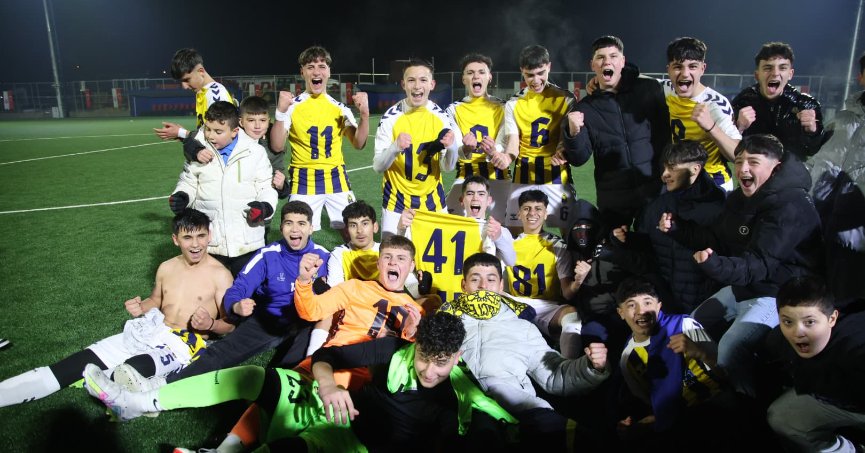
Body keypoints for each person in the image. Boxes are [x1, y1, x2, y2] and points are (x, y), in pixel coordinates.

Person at [83, 312, 517, 451]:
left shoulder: (459, 396)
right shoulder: (391, 350)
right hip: (333, 416)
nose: (429, 371)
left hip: (349, 447)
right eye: (424, 358)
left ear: (456, 358)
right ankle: (136, 403)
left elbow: (494, 426)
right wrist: (328, 385)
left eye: (441, 364)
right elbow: (327, 356)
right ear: (415, 345)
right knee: (257, 376)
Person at [172, 234, 427, 453]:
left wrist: (411, 335)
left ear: (411, 266)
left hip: (364, 386)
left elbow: (412, 365)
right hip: (326, 364)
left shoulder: (417, 312)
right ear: (378, 262)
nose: (393, 263)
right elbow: (311, 310)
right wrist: (304, 281)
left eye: (401, 258)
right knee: (275, 391)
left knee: (314, 435)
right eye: (387, 257)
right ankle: (224, 449)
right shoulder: (354, 288)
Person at [0, 209, 234, 408]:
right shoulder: (166, 267)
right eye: (188, 237)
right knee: (75, 364)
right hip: (151, 330)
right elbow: (156, 300)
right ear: (175, 239)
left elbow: (230, 326)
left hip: (183, 345)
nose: (196, 244)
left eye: (201, 236)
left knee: (131, 370)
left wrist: (211, 324)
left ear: (209, 236)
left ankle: (109, 384)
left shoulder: (220, 275)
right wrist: (141, 306)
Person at [659, 134, 823, 397]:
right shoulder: (741, 198)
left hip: (779, 294)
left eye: (753, 162)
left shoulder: (791, 206)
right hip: (746, 287)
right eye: (738, 161)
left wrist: (715, 265)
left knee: (730, 349)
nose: (743, 169)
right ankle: (709, 386)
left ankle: (747, 402)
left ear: (776, 167)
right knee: (690, 326)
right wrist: (679, 228)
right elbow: (718, 238)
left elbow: (760, 265)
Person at [443, 252, 610, 452]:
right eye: (475, 279)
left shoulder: (523, 327)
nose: (483, 286)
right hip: (461, 406)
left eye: (491, 279)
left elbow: (555, 375)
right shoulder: (443, 322)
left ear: (501, 286)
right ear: (463, 285)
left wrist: (591, 366)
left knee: (584, 439)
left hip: (517, 406)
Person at [157, 201, 330, 385]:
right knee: (222, 351)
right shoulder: (268, 255)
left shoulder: (325, 257)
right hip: (268, 319)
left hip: (305, 322)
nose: (295, 229)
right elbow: (239, 287)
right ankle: (166, 386)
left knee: (291, 369)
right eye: (289, 223)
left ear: (311, 228)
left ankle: (272, 393)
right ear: (281, 227)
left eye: (301, 223)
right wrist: (236, 306)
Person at [614, 277, 739, 450]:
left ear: (659, 306)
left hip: (716, 403)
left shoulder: (684, 324)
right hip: (679, 420)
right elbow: (656, 404)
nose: (641, 311)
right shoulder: (628, 358)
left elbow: (727, 372)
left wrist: (700, 352)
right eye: (631, 305)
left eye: (647, 302)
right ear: (620, 313)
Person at [605, 140, 726, 314]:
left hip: (704, 305)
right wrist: (628, 240)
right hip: (666, 302)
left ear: (695, 169)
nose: (664, 175)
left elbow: (723, 252)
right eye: (664, 167)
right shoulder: (657, 206)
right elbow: (651, 249)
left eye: (672, 168)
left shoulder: (719, 207)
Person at [563, 35, 670, 229]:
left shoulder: (649, 89)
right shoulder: (585, 108)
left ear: (623, 61)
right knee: (615, 246)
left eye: (613, 56)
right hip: (613, 198)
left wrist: (665, 175)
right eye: (600, 57)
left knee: (654, 243)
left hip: (653, 189)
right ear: (592, 65)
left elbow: (664, 136)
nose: (607, 62)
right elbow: (579, 159)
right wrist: (573, 132)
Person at [168, 101, 278, 276]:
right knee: (211, 289)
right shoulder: (199, 151)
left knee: (247, 289)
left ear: (234, 131)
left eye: (218, 132)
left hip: (247, 239)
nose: (211, 136)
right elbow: (188, 181)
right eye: (208, 129)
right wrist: (182, 196)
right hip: (211, 241)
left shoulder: (255, 152)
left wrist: (265, 207)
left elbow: (266, 186)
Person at [270, 46, 371, 234]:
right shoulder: (292, 107)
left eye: (322, 66)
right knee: (297, 235)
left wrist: (364, 115)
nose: (316, 72)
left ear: (329, 72)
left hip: (336, 178)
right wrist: (280, 113)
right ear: (302, 72)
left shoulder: (340, 108)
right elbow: (277, 145)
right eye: (310, 67)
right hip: (303, 180)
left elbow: (358, 143)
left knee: (353, 232)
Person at [767, 276, 865, 453]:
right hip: (841, 399)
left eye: (809, 322)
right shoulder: (778, 341)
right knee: (784, 417)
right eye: (788, 322)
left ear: (832, 318)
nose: (798, 332)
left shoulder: (855, 344)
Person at [373, 59, 460, 237]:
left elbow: (447, 167)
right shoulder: (390, 118)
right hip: (396, 202)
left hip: (433, 201)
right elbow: (378, 166)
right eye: (411, 80)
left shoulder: (441, 118)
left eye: (423, 80)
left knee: (438, 255)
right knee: (393, 252)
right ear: (403, 84)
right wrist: (395, 147)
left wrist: (452, 148)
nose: (417, 86)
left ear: (432, 84)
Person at [500, 45, 577, 233]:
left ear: (549, 66)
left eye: (540, 73)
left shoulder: (566, 99)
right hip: (524, 174)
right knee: (513, 235)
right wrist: (506, 158)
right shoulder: (513, 104)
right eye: (530, 75)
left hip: (557, 174)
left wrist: (562, 151)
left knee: (570, 233)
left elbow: (565, 138)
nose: (535, 80)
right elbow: (513, 143)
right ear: (522, 72)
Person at [507, 190, 583, 358]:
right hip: (516, 303)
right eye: (526, 208)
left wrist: (577, 282)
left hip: (547, 307)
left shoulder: (557, 245)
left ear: (546, 213)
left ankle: (567, 366)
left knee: (572, 316)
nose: (532, 213)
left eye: (538, 208)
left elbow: (567, 293)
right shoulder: (509, 244)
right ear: (519, 214)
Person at [663, 37, 741, 192]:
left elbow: (738, 155)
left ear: (702, 68)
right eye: (678, 67)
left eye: (692, 66)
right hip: (681, 181)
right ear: (668, 69)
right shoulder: (666, 89)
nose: (685, 74)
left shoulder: (715, 104)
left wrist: (711, 127)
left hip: (713, 183)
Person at [732, 42, 827, 163]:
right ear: (757, 75)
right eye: (768, 68)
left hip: (790, 171)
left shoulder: (805, 105)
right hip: (754, 170)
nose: (775, 73)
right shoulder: (743, 101)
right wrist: (739, 127)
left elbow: (813, 151)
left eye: (782, 68)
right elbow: (728, 149)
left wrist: (813, 131)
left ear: (790, 74)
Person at [443, 53, 510, 221]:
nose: (476, 76)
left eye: (481, 72)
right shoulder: (453, 109)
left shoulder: (503, 107)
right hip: (466, 177)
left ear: (489, 77)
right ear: (463, 79)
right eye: (470, 72)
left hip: (498, 177)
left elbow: (504, 145)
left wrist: (493, 151)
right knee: (447, 223)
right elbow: (456, 149)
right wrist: (466, 148)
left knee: (509, 228)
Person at [153, 48, 236, 141]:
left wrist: (181, 133)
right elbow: (205, 136)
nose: (184, 86)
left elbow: (219, 139)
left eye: (187, 80)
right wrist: (182, 135)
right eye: (181, 81)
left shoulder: (216, 95)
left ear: (201, 71)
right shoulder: (202, 92)